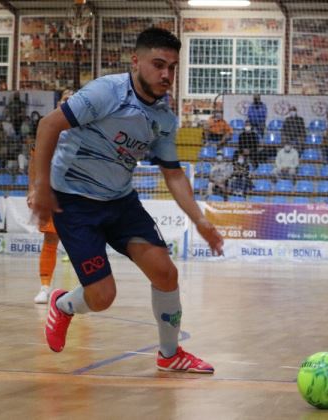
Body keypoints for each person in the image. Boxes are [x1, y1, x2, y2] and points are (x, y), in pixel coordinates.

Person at [29, 28, 223, 373]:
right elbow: (48, 126)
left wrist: (201, 220)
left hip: (120, 200)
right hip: (73, 201)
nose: (166, 75)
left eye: (172, 67)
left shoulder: (163, 119)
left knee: (166, 273)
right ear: (136, 61)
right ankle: (63, 305)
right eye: (158, 64)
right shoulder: (107, 92)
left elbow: (174, 174)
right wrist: (40, 185)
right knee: (102, 297)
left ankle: (169, 354)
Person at [30, 88, 74, 304]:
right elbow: (34, 159)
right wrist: (33, 189)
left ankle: (86, 287)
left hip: (78, 194)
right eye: (66, 99)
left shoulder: (86, 131)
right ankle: (45, 287)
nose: (69, 103)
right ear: (58, 104)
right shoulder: (48, 128)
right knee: (50, 238)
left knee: (82, 240)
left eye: (73, 100)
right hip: (53, 193)